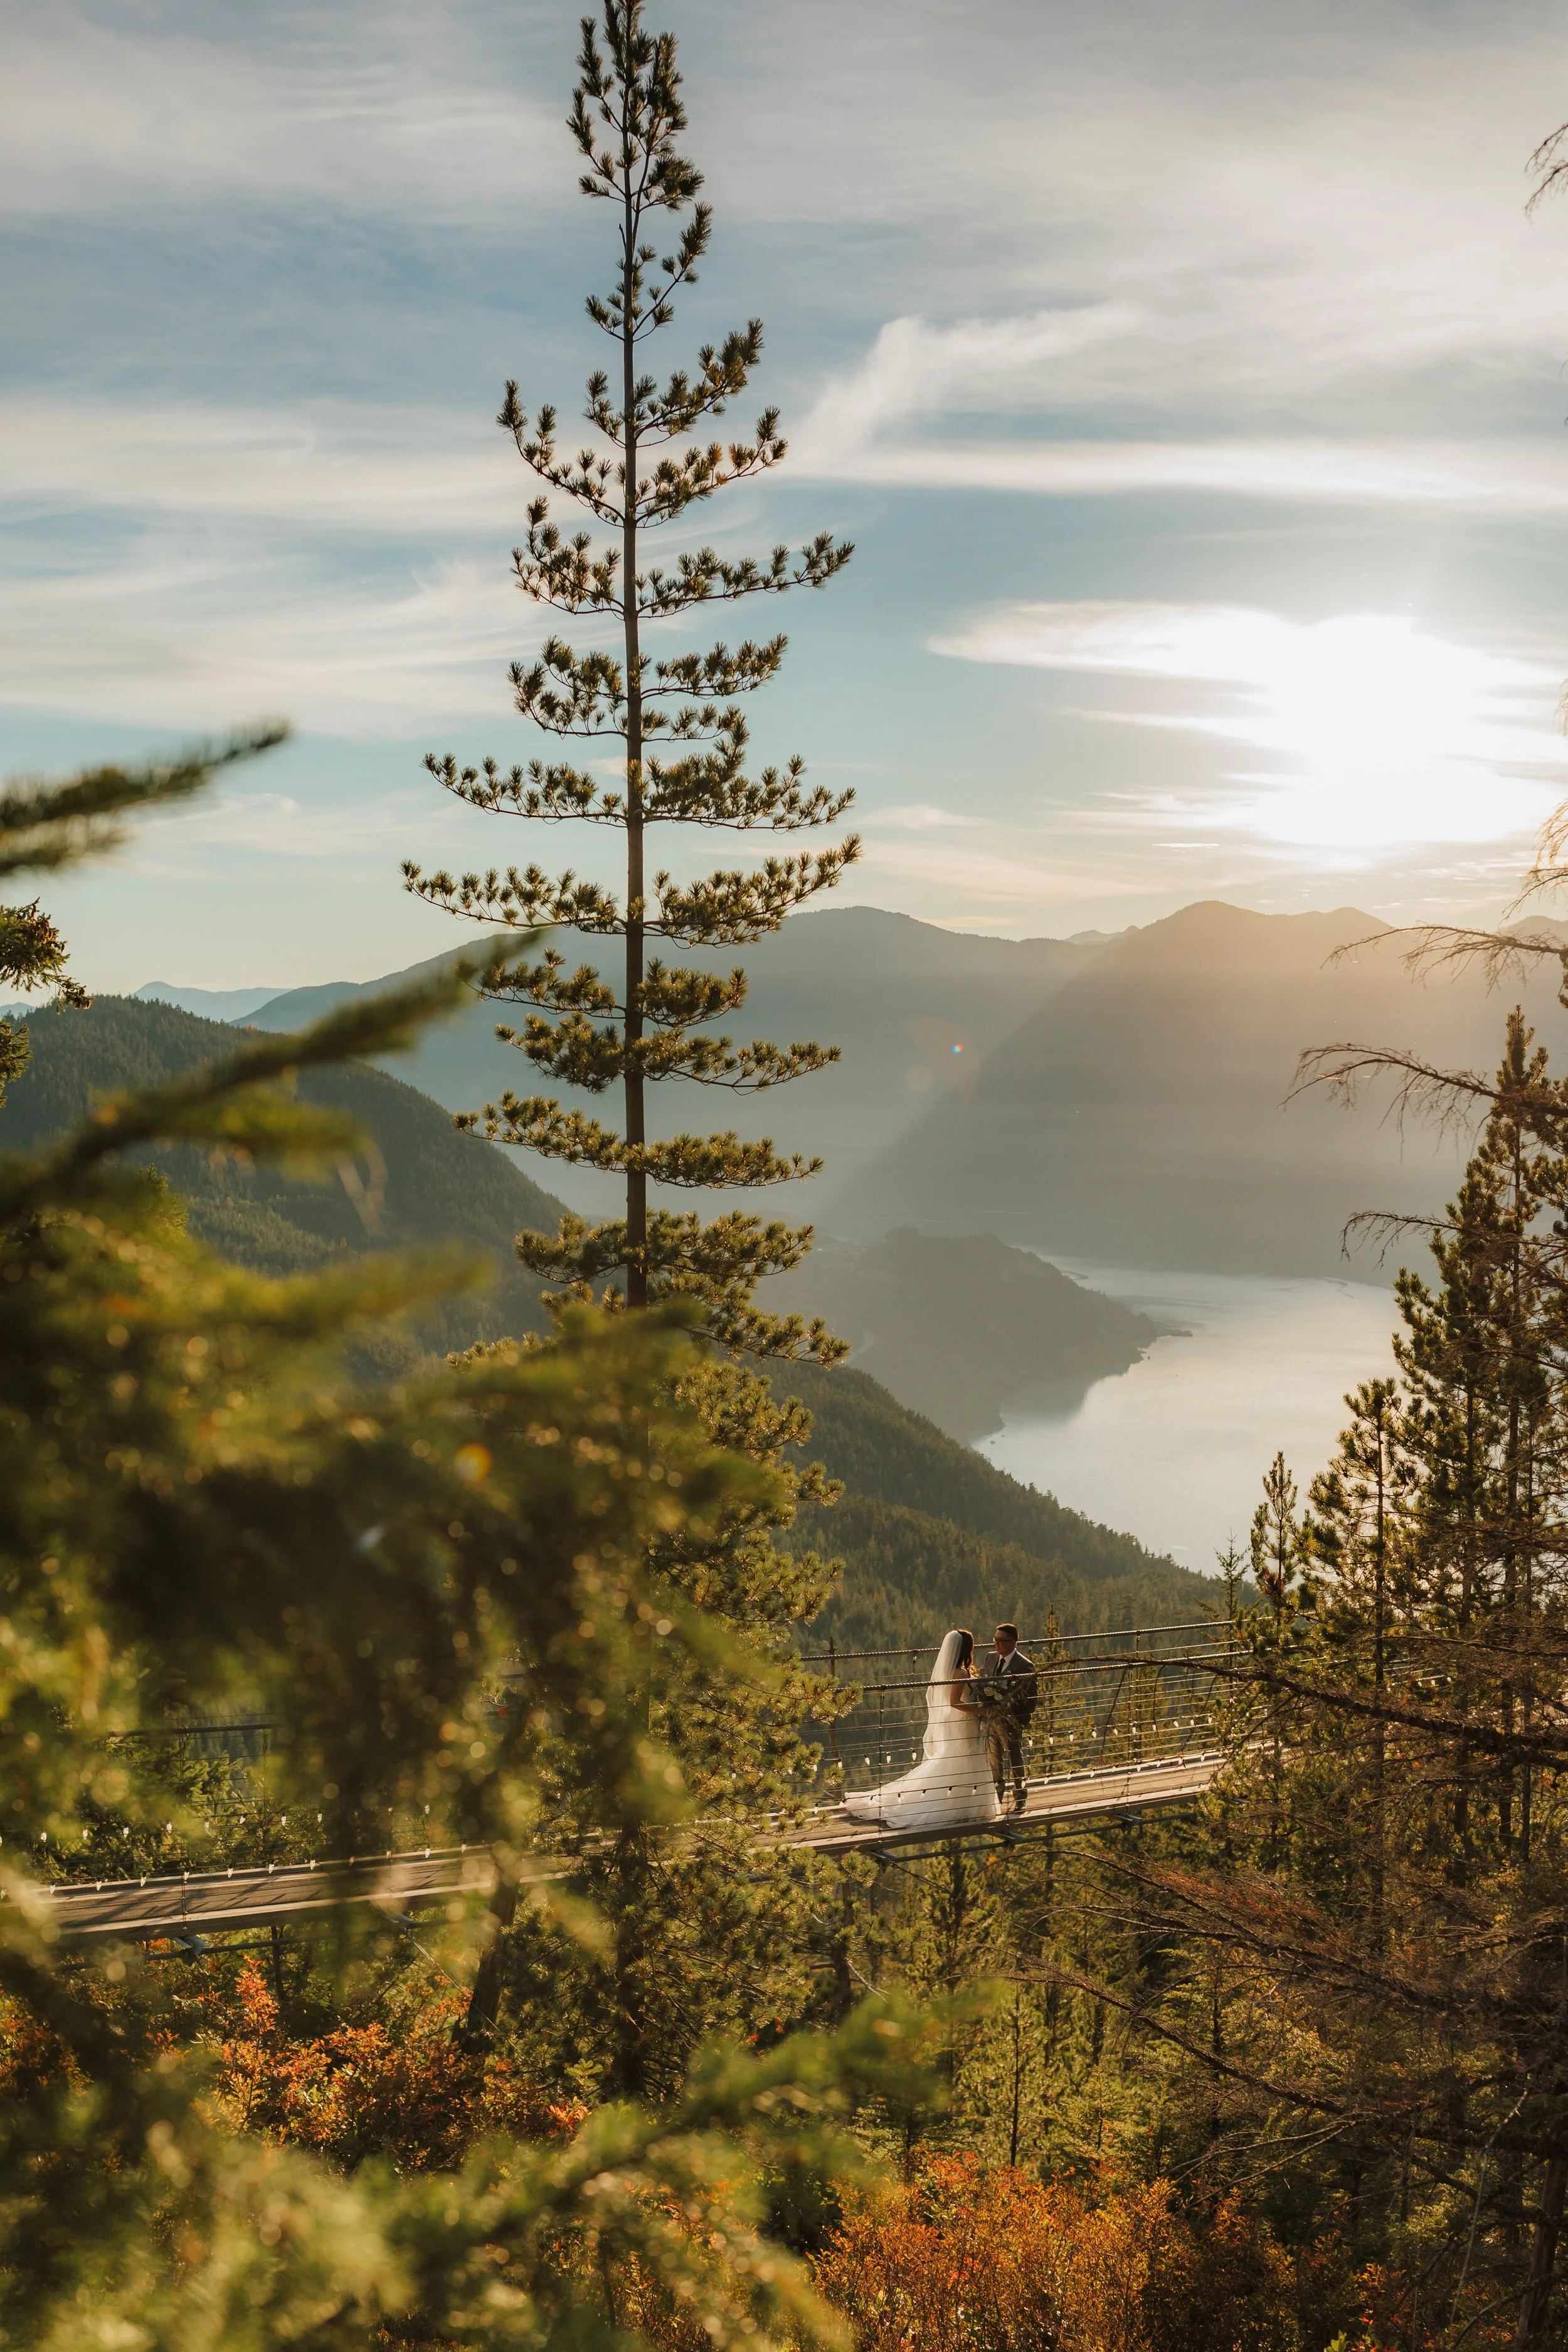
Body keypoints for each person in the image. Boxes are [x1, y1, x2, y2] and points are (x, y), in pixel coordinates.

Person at [844, 1628, 1000, 1831]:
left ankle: (963, 1802)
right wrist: (981, 1711)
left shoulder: (960, 1671)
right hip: (964, 1721)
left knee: (962, 1758)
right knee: (965, 1756)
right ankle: (962, 1805)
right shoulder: (959, 1673)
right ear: (966, 1649)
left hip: (964, 1722)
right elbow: (953, 1702)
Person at [977, 1622, 1036, 1814]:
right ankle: (997, 1797)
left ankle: (1020, 1798)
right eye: (995, 1640)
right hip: (990, 1720)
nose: (997, 1644)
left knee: (1014, 1756)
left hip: (1011, 1722)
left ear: (1014, 1642)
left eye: (1001, 1641)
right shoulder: (990, 1658)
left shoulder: (1025, 1666)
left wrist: (1020, 1722)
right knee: (994, 1758)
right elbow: (983, 1681)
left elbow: (1031, 1698)